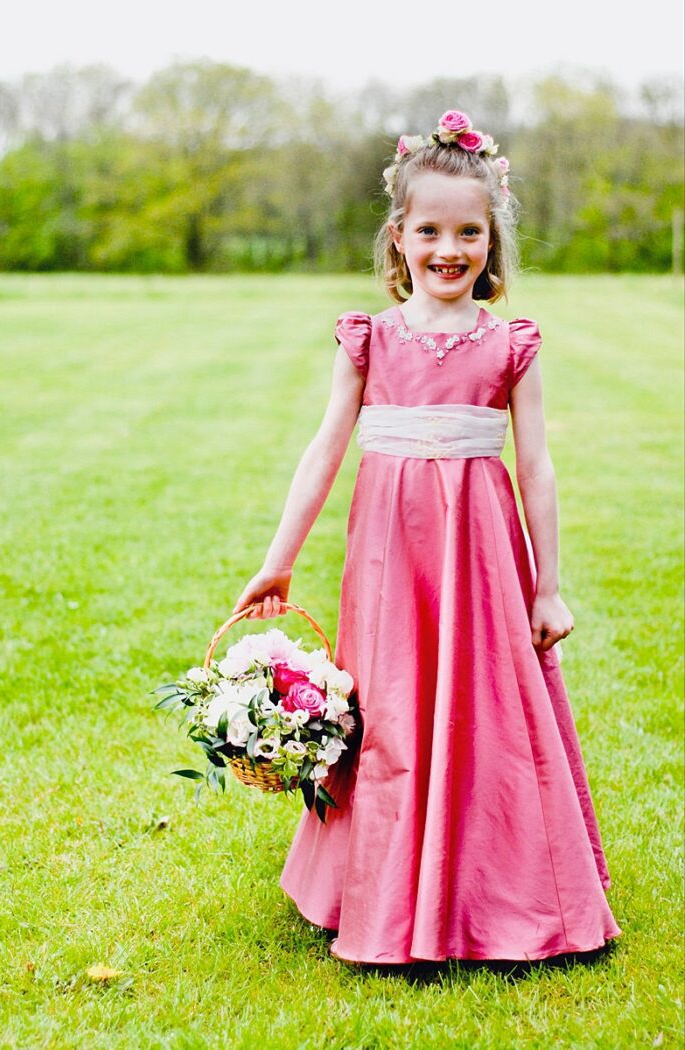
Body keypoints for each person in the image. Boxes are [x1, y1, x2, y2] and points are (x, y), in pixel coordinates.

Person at [232, 110, 622, 965]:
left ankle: (499, 886)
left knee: (488, 708)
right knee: (394, 712)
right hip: (390, 553)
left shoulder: (510, 345)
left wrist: (547, 585)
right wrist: (279, 560)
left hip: (481, 551)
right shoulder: (369, 339)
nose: (451, 249)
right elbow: (324, 450)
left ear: (493, 241)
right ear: (399, 237)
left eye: (470, 232)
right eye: (431, 230)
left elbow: (538, 469)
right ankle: (378, 887)